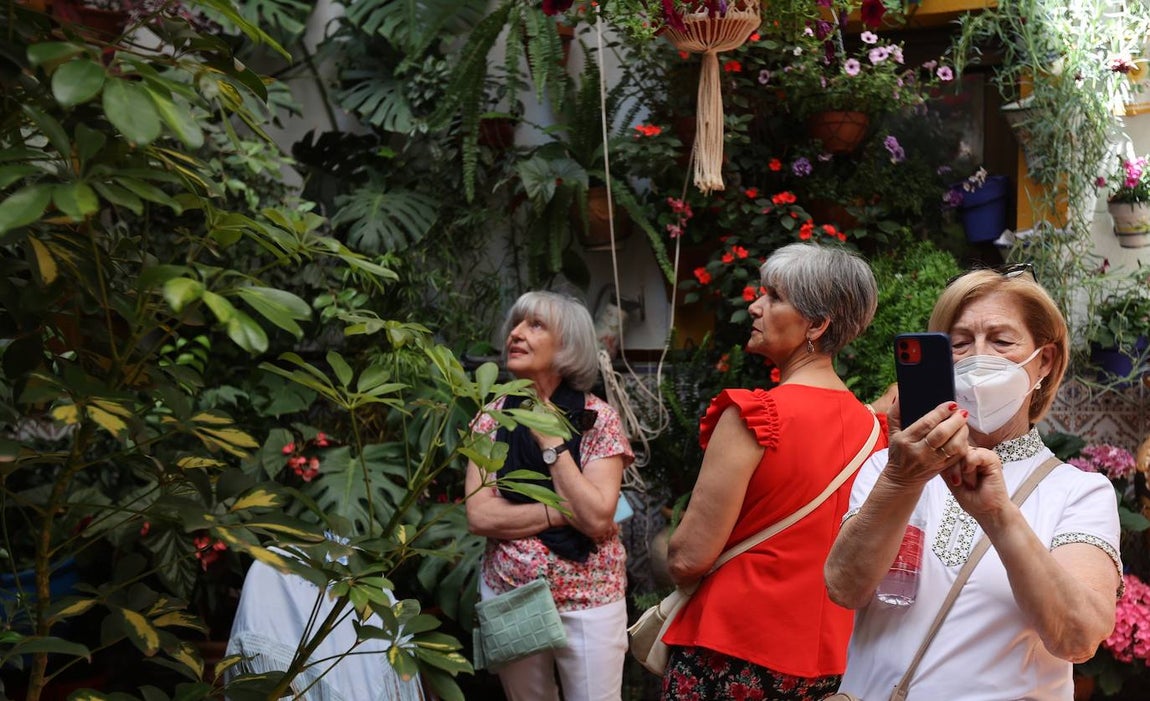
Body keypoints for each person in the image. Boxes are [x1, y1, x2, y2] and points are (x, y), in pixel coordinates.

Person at [825, 265, 1123, 700]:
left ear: (1045, 361)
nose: (977, 357)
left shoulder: (1079, 492)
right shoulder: (889, 470)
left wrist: (999, 515)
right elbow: (844, 587)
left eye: (1001, 341)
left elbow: (1077, 638)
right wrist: (901, 479)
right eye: (960, 343)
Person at [660, 242, 885, 700]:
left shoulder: (756, 415)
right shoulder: (874, 432)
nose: (756, 306)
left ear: (817, 325)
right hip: (831, 661)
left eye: (774, 297)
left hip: (733, 649)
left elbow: (688, 557)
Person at [464, 290, 633, 701]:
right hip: (511, 592)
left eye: (535, 325)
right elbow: (481, 516)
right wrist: (562, 510)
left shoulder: (597, 419)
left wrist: (554, 445)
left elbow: (594, 521)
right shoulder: (493, 417)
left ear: (567, 346)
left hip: (589, 597)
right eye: (517, 324)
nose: (516, 334)